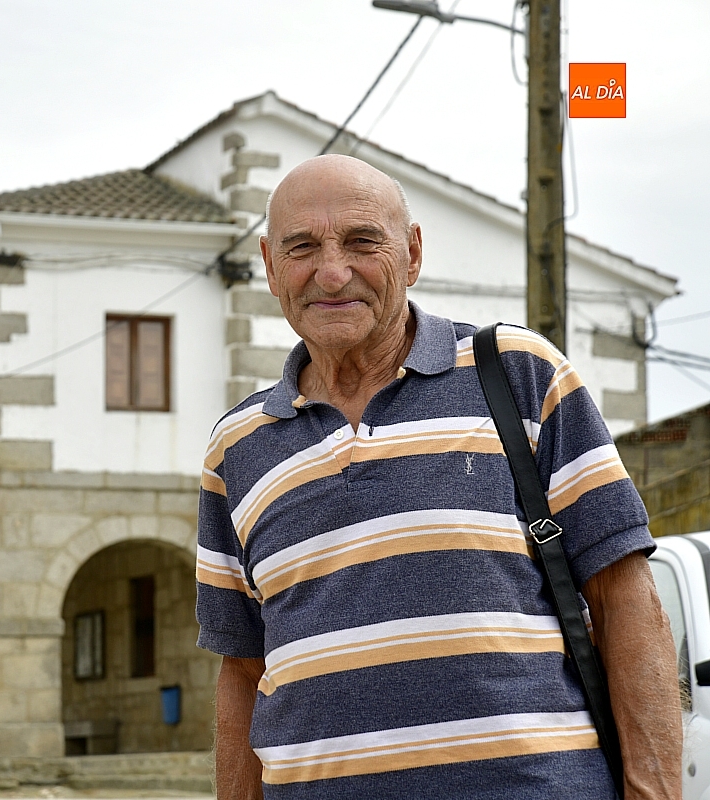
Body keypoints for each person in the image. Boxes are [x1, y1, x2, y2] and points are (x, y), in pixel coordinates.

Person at [195, 154, 681, 800]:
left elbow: (628, 603)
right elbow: (242, 670)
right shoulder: (237, 449)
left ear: (414, 253)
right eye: (302, 247)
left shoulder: (518, 375)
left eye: (363, 242)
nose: (332, 271)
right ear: (270, 266)